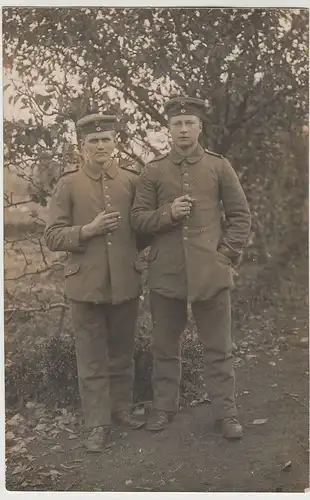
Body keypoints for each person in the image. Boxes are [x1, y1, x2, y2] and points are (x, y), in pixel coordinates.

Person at [131, 97, 251, 439]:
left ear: (200, 127)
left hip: (210, 272)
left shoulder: (218, 166)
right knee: (165, 345)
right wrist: (167, 213)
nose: (183, 130)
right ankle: (164, 407)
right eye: (177, 124)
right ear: (168, 130)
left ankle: (226, 412)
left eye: (189, 123)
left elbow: (240, 216)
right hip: (166, 272)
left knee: (218, 346)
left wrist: (226, 254)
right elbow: (137, 220)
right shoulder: (153, 171)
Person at [45, 113, 146, 452]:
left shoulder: (131, 181)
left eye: (106, 139)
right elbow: (52, 236)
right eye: (93, 141)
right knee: (90, 358)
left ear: (115, 141)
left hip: (125, 281)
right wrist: (87, 231)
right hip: (85, 285)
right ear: (81, 146)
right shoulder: (68, 184)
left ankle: (122, 410)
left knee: (122, 351)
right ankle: (97, 424)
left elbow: (142, 230)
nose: (100, 146)